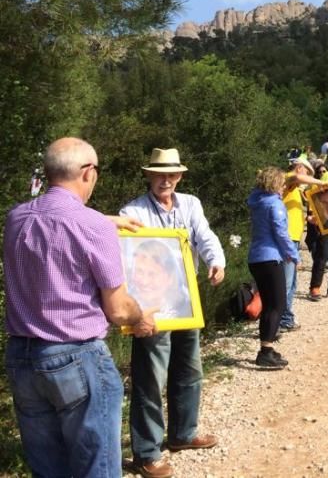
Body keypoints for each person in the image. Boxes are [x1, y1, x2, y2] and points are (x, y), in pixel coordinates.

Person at [4, 137, 153, 477]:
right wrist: (141, 316)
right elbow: (117, 310)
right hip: (76, 358)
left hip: (22, 358)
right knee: (95, 468)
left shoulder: (16, 218)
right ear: (88, 173)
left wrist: (106, 220)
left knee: (48, 469)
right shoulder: (93, 226)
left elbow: (54, 220)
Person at [121, 147, 226, 478]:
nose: (165, 180)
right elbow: (127, 258)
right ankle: (147, 452)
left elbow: (204, 235)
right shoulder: (132, 210)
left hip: (184, 299)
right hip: (150, 306)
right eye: (159, 174)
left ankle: (183, 433)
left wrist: (216, 261)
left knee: (189, 368)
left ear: (180, 176)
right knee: (150, 378)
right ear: (149, 175)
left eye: (171, 174)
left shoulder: (191, 204)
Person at [247, 166, 297, 368]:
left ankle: (266, 347)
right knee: (277, 304)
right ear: (276, 183)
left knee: (269, 304)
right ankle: (265, 350)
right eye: (283, 183)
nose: (285, 187)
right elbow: (281, 232)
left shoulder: (256, 200)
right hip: (270, 257)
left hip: (256, 258)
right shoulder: (274, 204)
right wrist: (293, 254)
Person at [280, 155, 327, 331]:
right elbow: (298, 178)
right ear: (300, 168)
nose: (307, 177)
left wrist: (308, 218)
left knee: (291, 283)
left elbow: (290, 211)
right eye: (308, 171)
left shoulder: (294, 190)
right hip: (287, 240)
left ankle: (286, 318)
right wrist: (322, 183)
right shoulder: (288, 179)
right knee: (286, 282)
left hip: (293, 240)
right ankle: (282, 320)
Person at [129, 239, 190, 320]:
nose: (144, 282)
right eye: (139, 271)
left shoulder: (185, 306)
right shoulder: (126, 301)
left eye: (152, 274)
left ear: (170, 278)